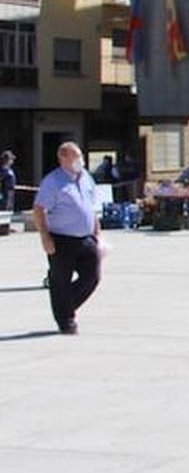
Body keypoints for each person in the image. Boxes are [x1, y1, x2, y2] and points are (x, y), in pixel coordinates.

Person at [33, 142, 101, 334]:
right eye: (76, 156)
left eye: (80, 156)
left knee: (92, 277)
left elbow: (90, 207)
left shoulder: (86, 178)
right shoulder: (53, 182)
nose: (81, 160)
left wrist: (97, 233)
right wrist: (45, 237)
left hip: (86, 238)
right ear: (63, 158)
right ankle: (66, 320)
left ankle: (64, 305)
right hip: (62, 240)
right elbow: (39, 210)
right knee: (60, 280)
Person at [0, 150, 16, 237]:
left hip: (10, 191)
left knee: (9, 209)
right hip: (6, 191)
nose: (12, 161)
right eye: (11, 159)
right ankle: (3, 228)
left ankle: (6, 226)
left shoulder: (8, 170)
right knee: (5, 208)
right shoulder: (3, 170)